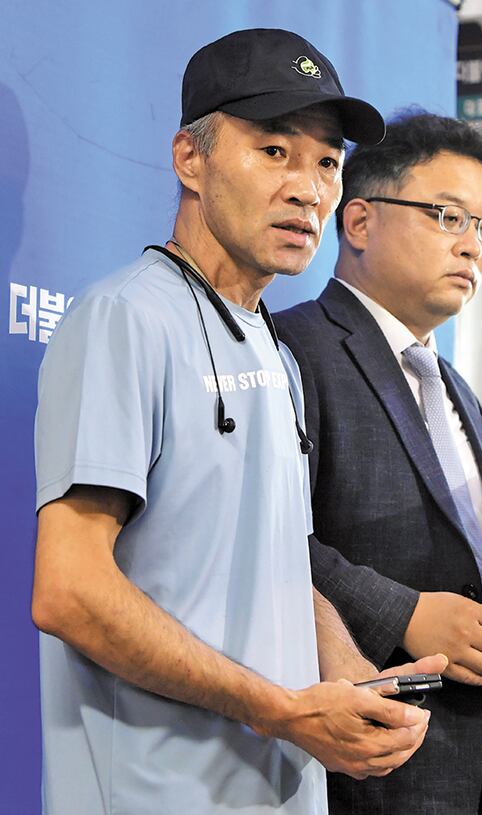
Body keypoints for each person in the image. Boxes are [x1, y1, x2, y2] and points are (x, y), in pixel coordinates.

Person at [31, 33, 446, 815]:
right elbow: (69, 589)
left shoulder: (275, 349)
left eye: (327, 163)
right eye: (274, 151)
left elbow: (276, 561)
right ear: (190, 159)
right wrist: (279, 709)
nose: (308, 189)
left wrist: (345, 669)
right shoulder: (124, 318)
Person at [274, 111, 482, 814]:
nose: (472, 245)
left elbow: (470, 555)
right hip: (384, 764)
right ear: (359, 221)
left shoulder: (456, 388)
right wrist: (405, 613)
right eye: (448, 217)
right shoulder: (292, 349)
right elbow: (268, 540)